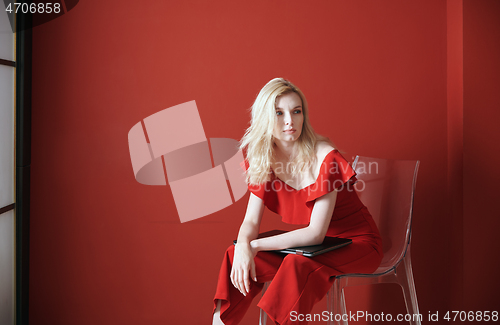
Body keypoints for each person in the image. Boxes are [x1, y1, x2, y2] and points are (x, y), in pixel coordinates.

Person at [212, 78, 383, 325]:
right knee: (234, 254)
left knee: (294, 263)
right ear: (265, 118)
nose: (290, 121)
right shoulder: (265, 158)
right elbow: (250, 220)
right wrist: (243, 247)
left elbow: (315, 233)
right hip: (315, 248)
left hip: (357, 243)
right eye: (279, 113)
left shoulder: (325, 155)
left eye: (296, 111)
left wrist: (255, 246)